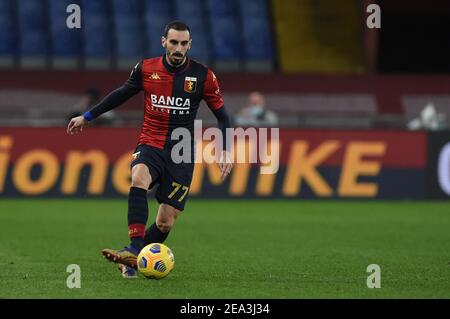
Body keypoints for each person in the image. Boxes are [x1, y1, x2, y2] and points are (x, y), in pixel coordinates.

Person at [67, 21, 233, 278]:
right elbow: (121, 94)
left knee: (166, 221)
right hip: (151, 142)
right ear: (163, 41)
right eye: (174, 42)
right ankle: (134, 248)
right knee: (138, 178)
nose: (178, 48)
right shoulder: (146, 68)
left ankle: (131, 258)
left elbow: (223, 117)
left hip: (181, 152)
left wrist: (225, 150)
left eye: (183, 43)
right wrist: (87, 116)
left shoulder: (203, 76)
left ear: (190, 45)